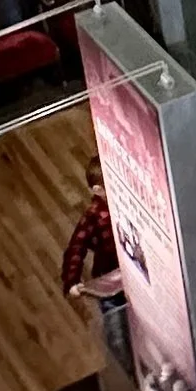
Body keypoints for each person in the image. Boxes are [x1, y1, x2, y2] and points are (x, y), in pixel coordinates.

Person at [61, 158, 130, 374]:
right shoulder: (92, 217)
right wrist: (71, 280)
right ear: (98, 189)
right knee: (116, 329)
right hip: (109, 281)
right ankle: (123, 371)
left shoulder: (125, 202)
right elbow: (76, 247)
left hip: (132, 272)